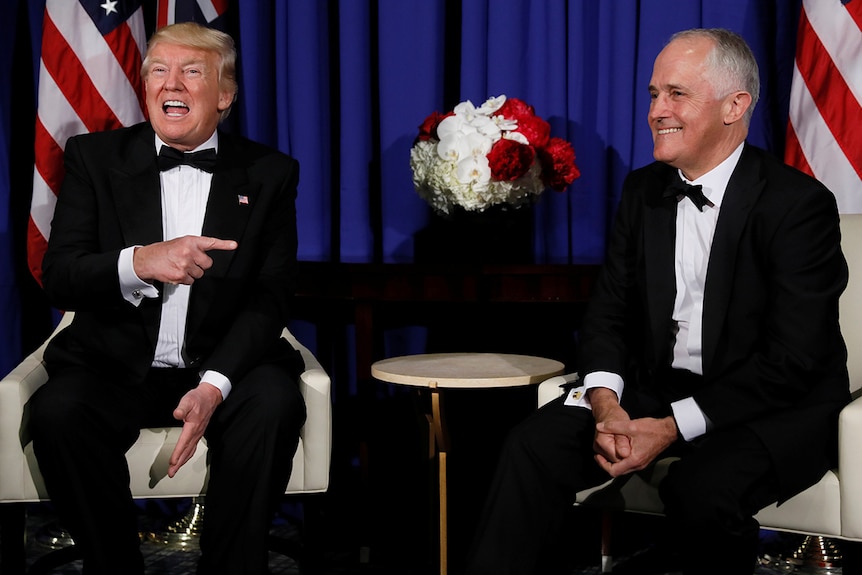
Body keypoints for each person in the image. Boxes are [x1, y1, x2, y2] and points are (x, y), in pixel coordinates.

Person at [465, 28, 849, 575]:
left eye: (676, 94)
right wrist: (606, 404)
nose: (656, 111)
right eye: (652, 94)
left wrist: (668, 426)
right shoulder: (643, 190)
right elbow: (609, 312)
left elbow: (793, 361)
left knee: (703, 490)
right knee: (532, 444)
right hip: (661, 386)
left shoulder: (799, 206)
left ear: (734, 106)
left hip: (775, 403)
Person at [29, 22, 306, 575]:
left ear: (224, 96)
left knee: (274, 401)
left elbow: (270, 298)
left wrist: (213, 387)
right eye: (159, 69)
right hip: (113, 364)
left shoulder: (270, 173)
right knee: (59, 413)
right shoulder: (93, 157)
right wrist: (139, 262)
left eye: (191, 71)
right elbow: (60, 275)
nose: (169, 83)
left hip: (220, 365)